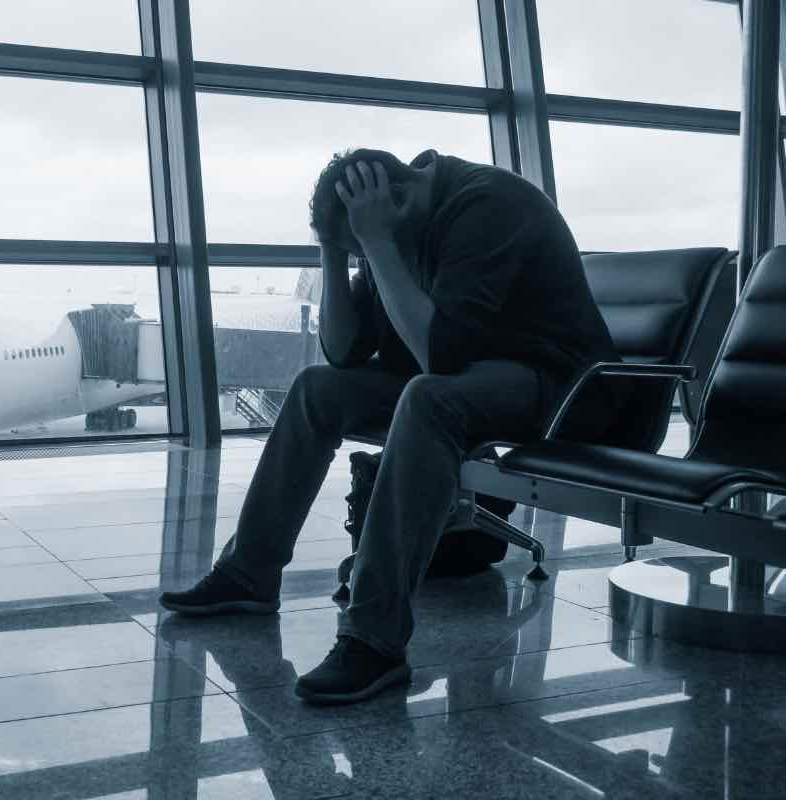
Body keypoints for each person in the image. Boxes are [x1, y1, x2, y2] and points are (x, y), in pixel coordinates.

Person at [160, 148, 620, 704]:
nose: (367, 262)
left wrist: (376, 243)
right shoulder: (395, 220)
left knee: (429, 397)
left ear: (395, 198)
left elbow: (437, 357)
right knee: (315, 389)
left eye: (362, 249)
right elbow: (343, 350)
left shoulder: (489, 206)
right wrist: (335, 251)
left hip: (561, 387)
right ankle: (248, 574)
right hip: (474, 377)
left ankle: (373, 639)